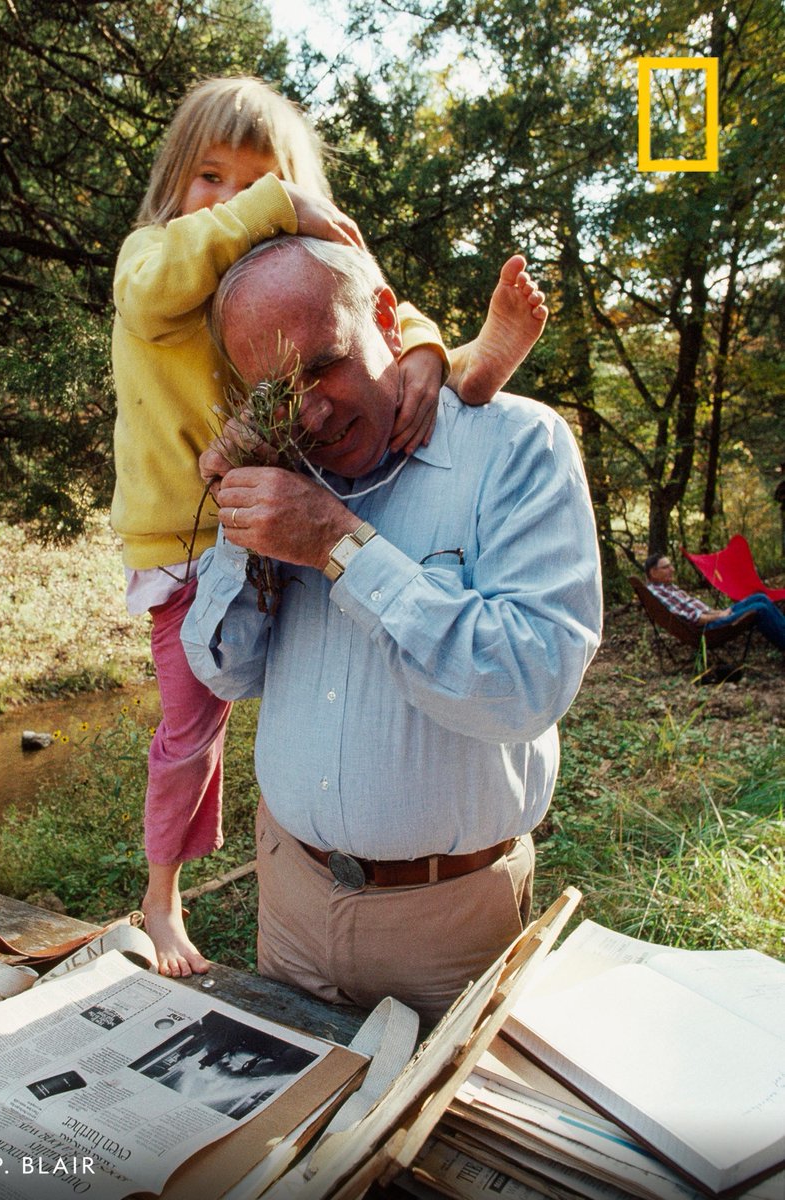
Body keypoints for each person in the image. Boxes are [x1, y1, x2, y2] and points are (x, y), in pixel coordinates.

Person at [111, 75, 550, 979]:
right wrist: (276, 205)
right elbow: (156, 289)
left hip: (279, 477)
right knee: (192, 726)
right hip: (185, 533)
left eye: (259, 180)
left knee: (400, 405)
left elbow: (370, 309)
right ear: (175, 184)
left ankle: (474, 370)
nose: (232, 198)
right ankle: (160, 896)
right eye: (211, 177)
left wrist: (428, 351)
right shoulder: (158, 257)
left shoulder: (500, 443)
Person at [181, 235, 602, 1023]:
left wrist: (340, 545)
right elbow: (225, 669)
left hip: (452, 925)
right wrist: (244, 528)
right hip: (291, 897)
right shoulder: (288, 468)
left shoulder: (519, 447)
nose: (309, 409)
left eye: (324, 363)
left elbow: (529, 683)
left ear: (386, 317)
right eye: (275, 391)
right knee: (297, 1136)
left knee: (447, 1144)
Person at [644, 554, 785, 651]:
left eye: (671, 566)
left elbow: (697, 610)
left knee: (760, 597)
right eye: (666, 567)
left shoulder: (668, 587)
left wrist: (719, 612)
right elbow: (694, 618)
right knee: (760, 608)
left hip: (713, 618)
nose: (672, 569)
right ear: (653, 573)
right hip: (707, 628)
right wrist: (720, 616)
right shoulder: (657, 593)